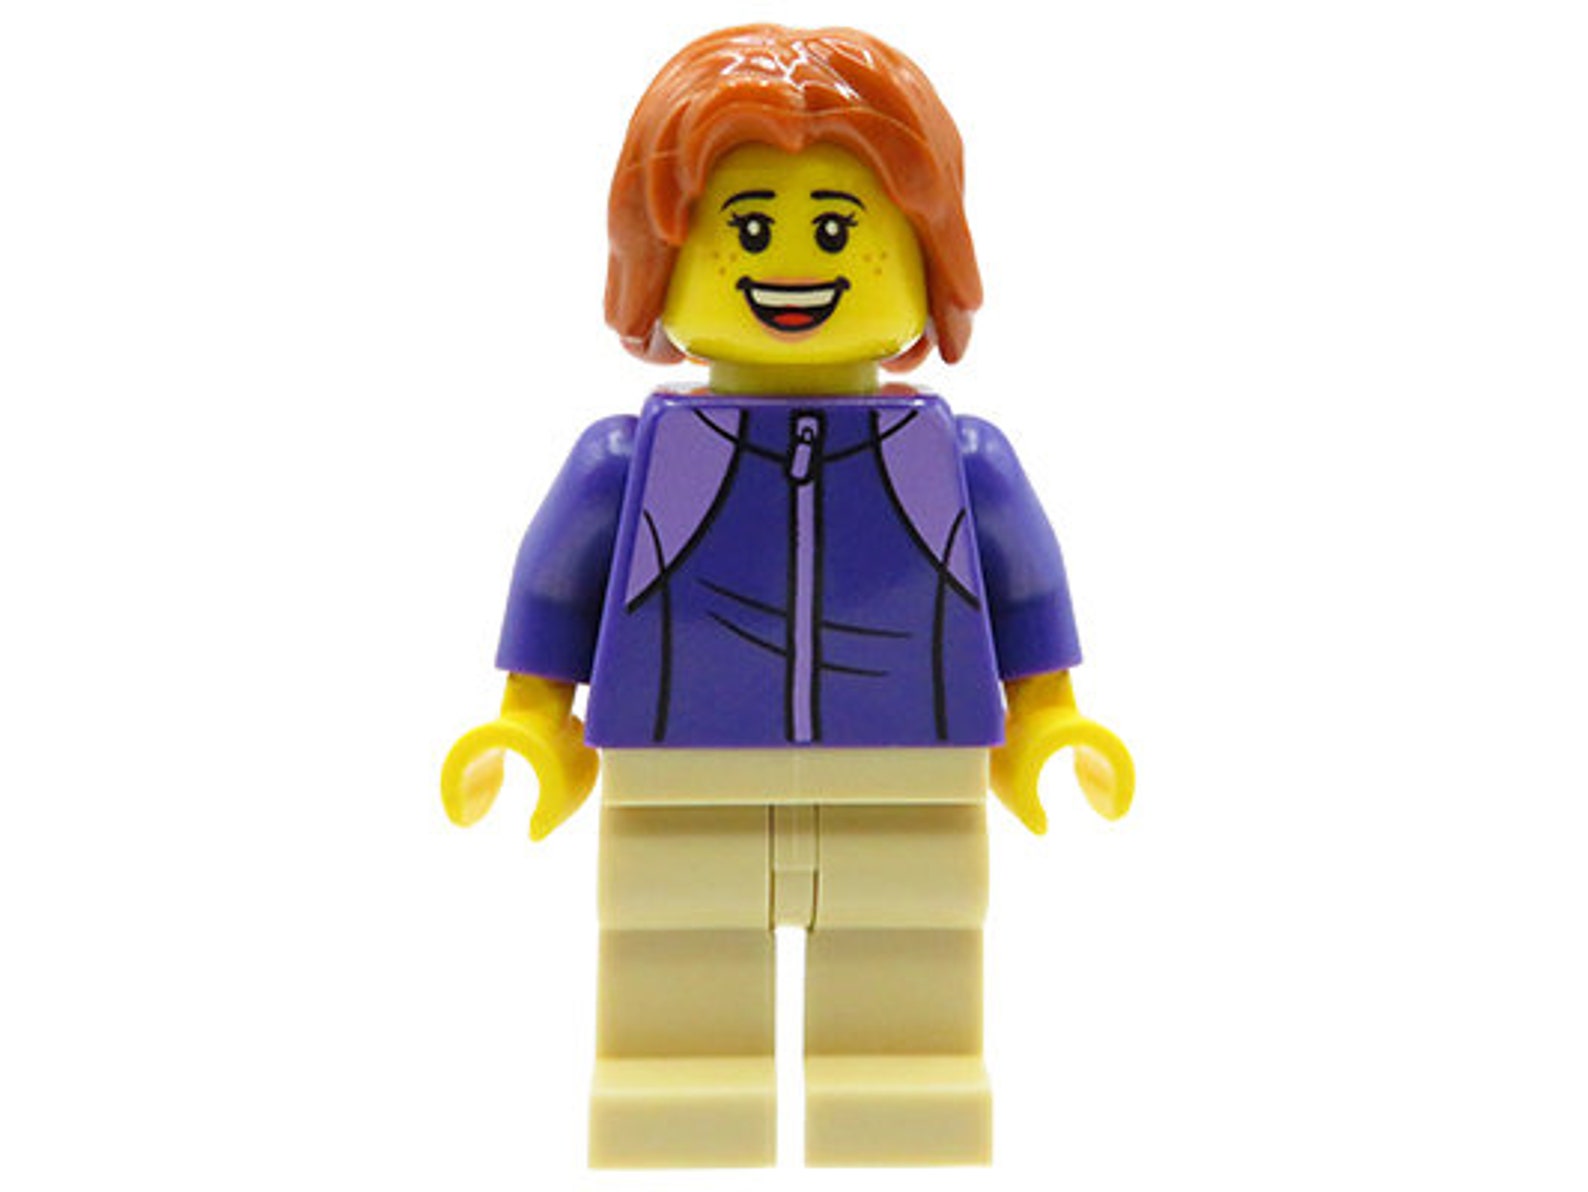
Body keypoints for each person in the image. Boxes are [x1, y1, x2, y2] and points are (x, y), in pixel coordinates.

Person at [442, 24, 1133, 1168]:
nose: (794, 264)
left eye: (839, 227)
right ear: (658, 255)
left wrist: (1048, 721)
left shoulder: (958, 458)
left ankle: (901, 1084)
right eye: (749, 228)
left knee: (910, 942)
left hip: (911, 760)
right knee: (672, 943)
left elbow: (1022, 596)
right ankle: (675, 1085)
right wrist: (530, 724)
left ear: (925, 248)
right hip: (676, 760)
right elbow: (557, 597)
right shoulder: (627, 460)